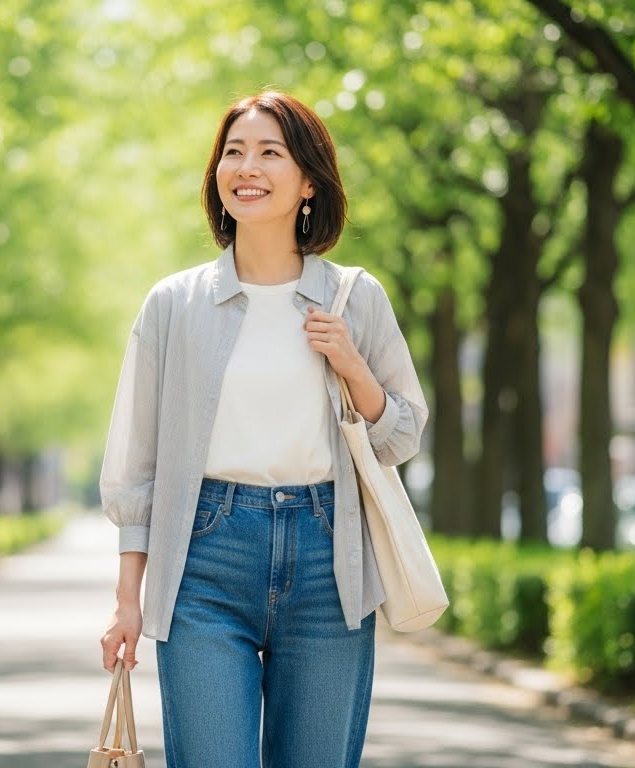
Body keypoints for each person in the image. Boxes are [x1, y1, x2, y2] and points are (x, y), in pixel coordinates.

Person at [97, 90, 428, 768]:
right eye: (233, 152)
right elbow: (136, 468)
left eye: (269, 153)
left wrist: (352, 365)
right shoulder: (173, 305)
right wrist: (127, 601)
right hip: (204, 562)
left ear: (308, 182)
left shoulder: (355, 297)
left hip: (328, 563)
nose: (246, 168)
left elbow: (401, 437)